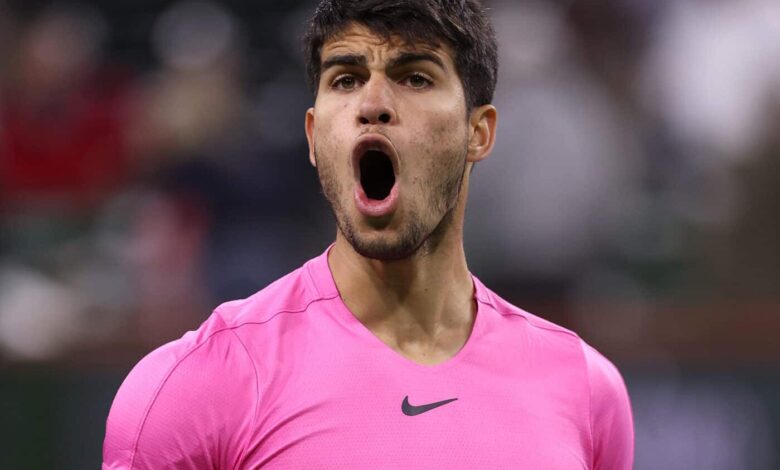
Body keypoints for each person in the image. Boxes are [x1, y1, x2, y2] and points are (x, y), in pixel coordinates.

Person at [102, 0, 634, 468]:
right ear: (314, 135)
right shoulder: (198, 386)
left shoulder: (586, 390)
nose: (373, 103)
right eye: (346, 79)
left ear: (478, 132)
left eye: (415, 77)